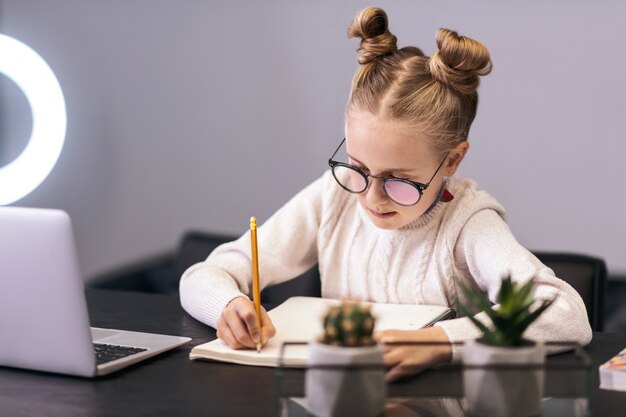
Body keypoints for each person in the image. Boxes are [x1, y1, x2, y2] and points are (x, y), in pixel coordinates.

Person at [180, 6, 592, 382]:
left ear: (452, 161)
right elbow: (201, 276)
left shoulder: (467, 223)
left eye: (398, 181)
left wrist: (443, 342)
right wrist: (228, 306)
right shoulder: (334, 199)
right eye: (357, 169)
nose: (372, 198)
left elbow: (567, 315)